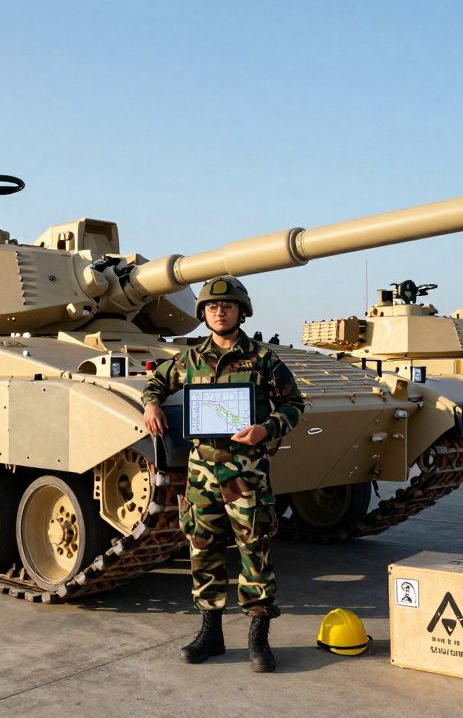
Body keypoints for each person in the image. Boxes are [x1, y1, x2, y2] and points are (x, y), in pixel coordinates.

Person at [141, 275, 305, 673]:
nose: (220, 311)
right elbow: (156, 381)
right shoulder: (190, 359)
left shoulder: (263, 360)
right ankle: (210, 633)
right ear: (203, 313)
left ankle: (258, 638)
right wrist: (151, 405)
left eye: (227, 306)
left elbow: (294, 404)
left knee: (255, 552)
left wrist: (267, 428)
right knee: (203, 551)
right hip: (202, 474)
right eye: (212, 307)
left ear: (241, 311)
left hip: (246, 472)